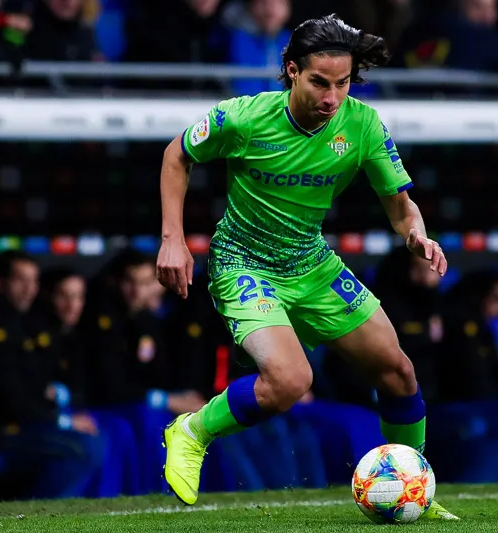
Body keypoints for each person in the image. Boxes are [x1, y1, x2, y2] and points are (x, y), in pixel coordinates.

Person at [156, 13, 457, 519]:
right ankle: (191, 431)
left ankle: (413, 489)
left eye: (342, 84)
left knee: (400, 373)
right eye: (320, 82)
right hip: (243, 262)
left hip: (311, 263)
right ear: (291, 69)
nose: (331, 98)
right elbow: (176, 155)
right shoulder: (244, 118)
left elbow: (401, 205)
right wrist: (173, 240)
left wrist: (416, 233)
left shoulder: (361, 124)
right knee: (291, 380)